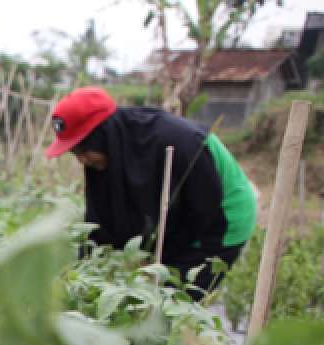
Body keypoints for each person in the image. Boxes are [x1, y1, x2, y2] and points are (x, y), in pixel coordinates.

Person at [46, 87, 257, 298]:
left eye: (83, 150)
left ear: (103, 136)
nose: (82, 160)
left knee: (174, 299)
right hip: (182, 214)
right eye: (75, 153)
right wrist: (79, 273)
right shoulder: (109, 151)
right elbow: (100, 221)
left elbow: (203, 209)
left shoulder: (179, 141)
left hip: (221, 216)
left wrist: (160, 257)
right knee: (147, 294)